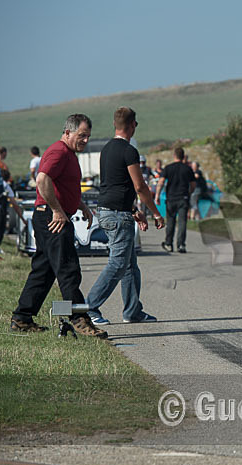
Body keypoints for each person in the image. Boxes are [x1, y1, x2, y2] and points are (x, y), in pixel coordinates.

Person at [10, 114, 106, 337]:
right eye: (82, 135)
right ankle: (79, 319)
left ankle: (22, 318)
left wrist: (81, 205)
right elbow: (42, 179)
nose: (85, 140)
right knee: (68, 269)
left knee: (43, 272)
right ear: (68, 132)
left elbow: (62, 186)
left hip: (51, 216)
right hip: (52, 218)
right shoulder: (59, 152)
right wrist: (56, 210)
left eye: (88, 136)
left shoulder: (68, 154)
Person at [85, 107, 165, 326]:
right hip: (117, 215)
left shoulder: (106, 149)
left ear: (115, 124)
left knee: (129, 265)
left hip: (109, 210)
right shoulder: (129, 151)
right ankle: (88, 308)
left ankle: (132, 311)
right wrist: (156, 213)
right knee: (118, 264)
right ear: (133, 125)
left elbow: (116, 185)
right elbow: (140, 186)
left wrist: (134, 211)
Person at [155, 147, 195, 253]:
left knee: (170, 221)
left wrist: (157, 195)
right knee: (182, 222)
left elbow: (161, 182)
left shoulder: (168, 168)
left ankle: (168, 243)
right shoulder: (187, 169)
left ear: (174, 156)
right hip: (183, 198)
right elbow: (193, 184)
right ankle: (181, 245)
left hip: (171, 198)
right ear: (183, 156)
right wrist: (189, 193)